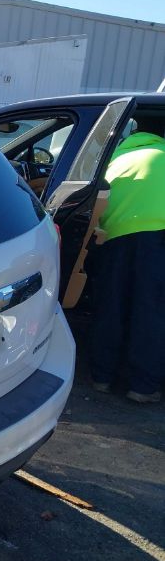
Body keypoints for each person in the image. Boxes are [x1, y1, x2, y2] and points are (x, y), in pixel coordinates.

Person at [90, 126, 165, 403]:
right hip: (158, 236)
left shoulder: (115, 161)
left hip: (114, 238)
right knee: (150, 312)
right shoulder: (162, 154)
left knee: (111, 307)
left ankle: (102, 377)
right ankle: (142, 387)